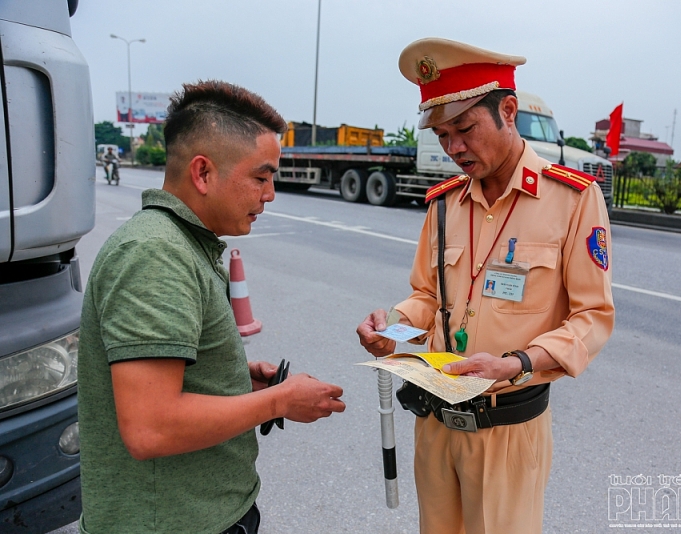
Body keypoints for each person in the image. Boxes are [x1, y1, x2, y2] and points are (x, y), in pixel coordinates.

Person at [356, 38, 614, 534]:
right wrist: (394, 326)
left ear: (509, 111)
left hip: (507, 429)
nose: (453, 148)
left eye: (465, 129)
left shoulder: (572, 200)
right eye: (442, 134)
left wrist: (514, 365)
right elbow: (428, 298)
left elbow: (592, 318)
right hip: (433, 423)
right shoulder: (443, 204)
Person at [78, 80, 346, 534]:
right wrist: (280, 400)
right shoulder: (155, 254)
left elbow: (168, 382)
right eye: (261, 177)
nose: (271, 194)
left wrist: (234, 382)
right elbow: (150, 428)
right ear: (203, 174)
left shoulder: (181, 244)